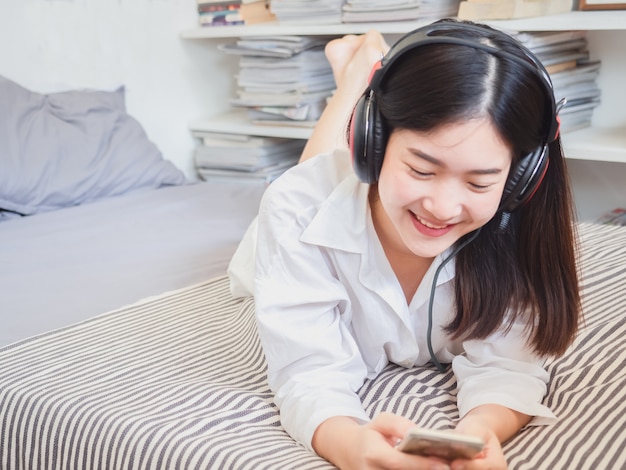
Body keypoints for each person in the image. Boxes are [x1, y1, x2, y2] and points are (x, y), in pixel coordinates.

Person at [228, 18, 581, 470]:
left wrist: (478, 433)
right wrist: (350, 445)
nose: (444, 207)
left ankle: (361, 78)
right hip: (291, 221)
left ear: (518, 180)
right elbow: (307, 373)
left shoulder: (515, 222)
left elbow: (509, 367)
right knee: (315, 176)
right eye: (421, 169)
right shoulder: (295, 209)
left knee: (331, 178)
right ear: (371, 144)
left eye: (478, 182)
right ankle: (353, 81)